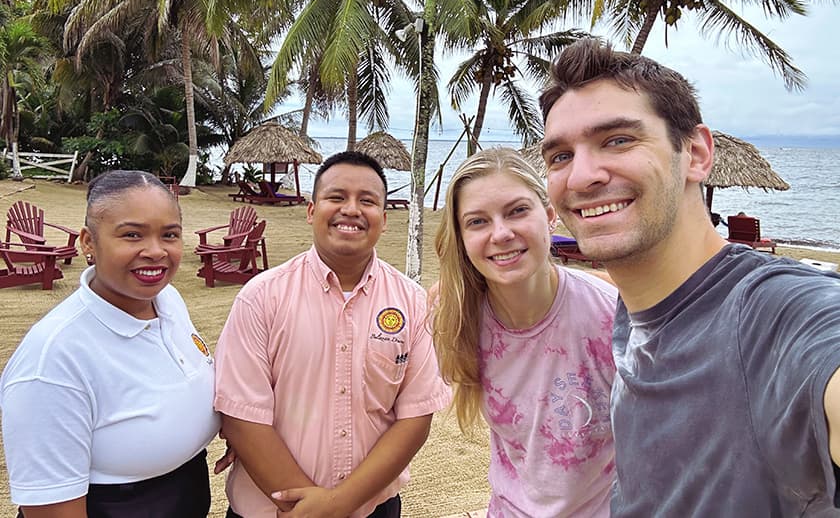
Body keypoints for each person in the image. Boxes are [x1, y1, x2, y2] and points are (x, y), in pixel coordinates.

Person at [538, 38, 840, 516]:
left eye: (618, 139)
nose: (581, 177)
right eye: (559, 156)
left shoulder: (770, 313)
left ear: (696, 154)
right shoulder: (639, 311)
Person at [213, 151, 451, 518]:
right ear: (312, 211)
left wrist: (338, 504)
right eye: (336, 197)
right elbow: (243, 418)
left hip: (374, 508)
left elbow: (414, 418)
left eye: (367, 201)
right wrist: (305, 510)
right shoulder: (261, 298)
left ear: (384, 220)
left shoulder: (412, 303)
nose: (351, 210)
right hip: (269, 511)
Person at [0, 170, 223, 518]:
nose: (155, 251)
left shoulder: (169, 302)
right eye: (132, 235)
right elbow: (53, 510)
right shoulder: (53, 361)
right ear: (89, 242)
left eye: (170, 235)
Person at [431, 147, 618, 517]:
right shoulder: (455, 317)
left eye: (517, 211)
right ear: (462, 238)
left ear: (549, 216)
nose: (501, 234)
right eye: (477, 222)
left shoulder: (607, 314)